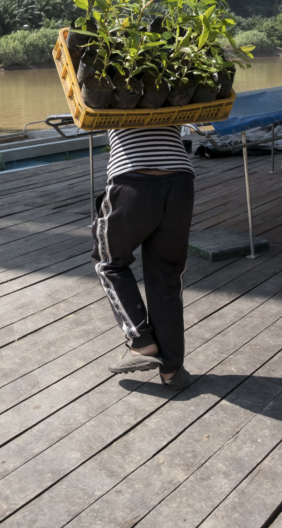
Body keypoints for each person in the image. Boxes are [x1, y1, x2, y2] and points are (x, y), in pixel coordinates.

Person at [92, 125, 194, 390]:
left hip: (132, 180)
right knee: (167, 275)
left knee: (109, 263)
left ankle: (141, 341)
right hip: (180, 180)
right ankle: (172, 369)